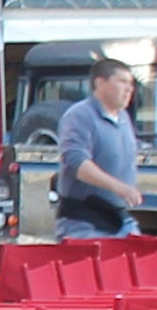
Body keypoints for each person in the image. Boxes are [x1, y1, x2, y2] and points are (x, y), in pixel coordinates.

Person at [53, 58, 147, 237]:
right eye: (122, 82)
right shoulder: (80, 116)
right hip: (84, 223)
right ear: (100, 83)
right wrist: (118, 187)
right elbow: (77, 163)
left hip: (120, 220)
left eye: (131, 84)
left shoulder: (124, 118)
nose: (129, 89)